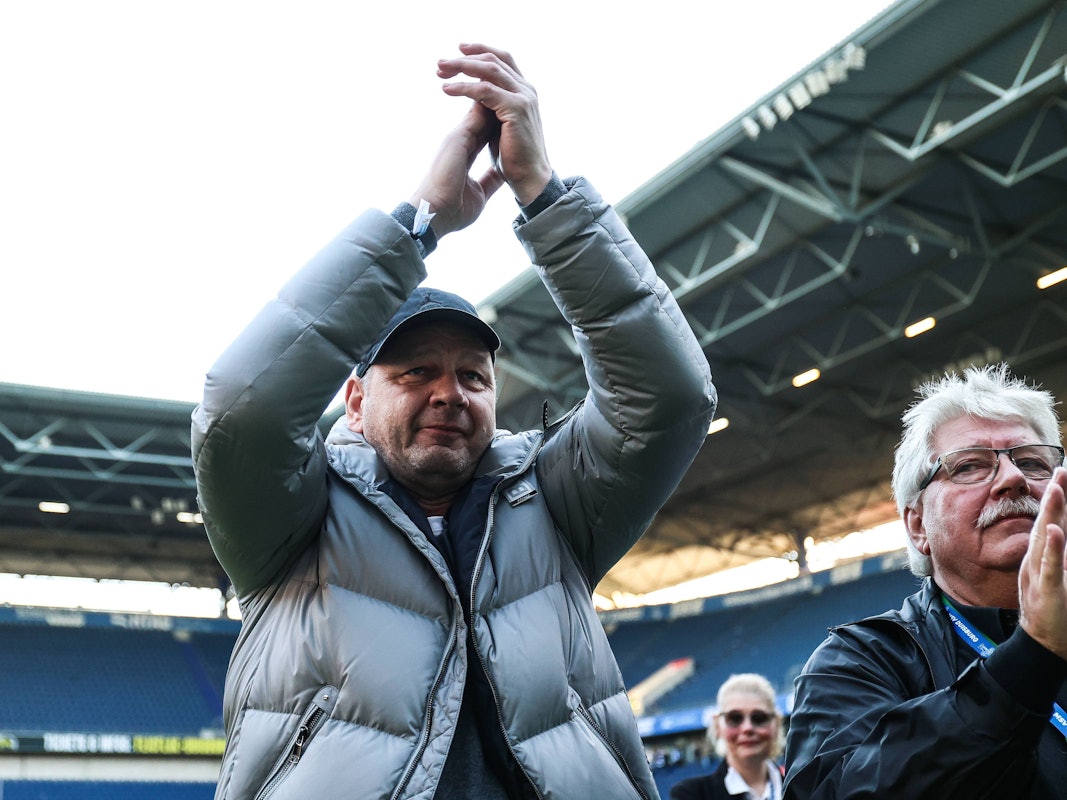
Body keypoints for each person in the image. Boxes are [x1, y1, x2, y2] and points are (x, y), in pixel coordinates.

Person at [191, 43, 716, 800]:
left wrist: (544, 196)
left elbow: (669, 398)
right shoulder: (287, 519)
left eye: (472, 375)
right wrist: (417, 223)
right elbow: (243, 406)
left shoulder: (557, 502)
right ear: (355, 398)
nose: (448, 392)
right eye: (414, 373)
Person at [784, 363, 1067, 799]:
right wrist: (1032, 657)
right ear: (917, 526)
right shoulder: (860, 662)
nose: (1013, 479)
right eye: (970, 466)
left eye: (1032, 462)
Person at [670, 674, 784, 800]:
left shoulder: (803, 789)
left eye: (759, 718)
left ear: (777, 724)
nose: (747, 728)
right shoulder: (690, 794)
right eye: (734, 718)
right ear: (717, 726)